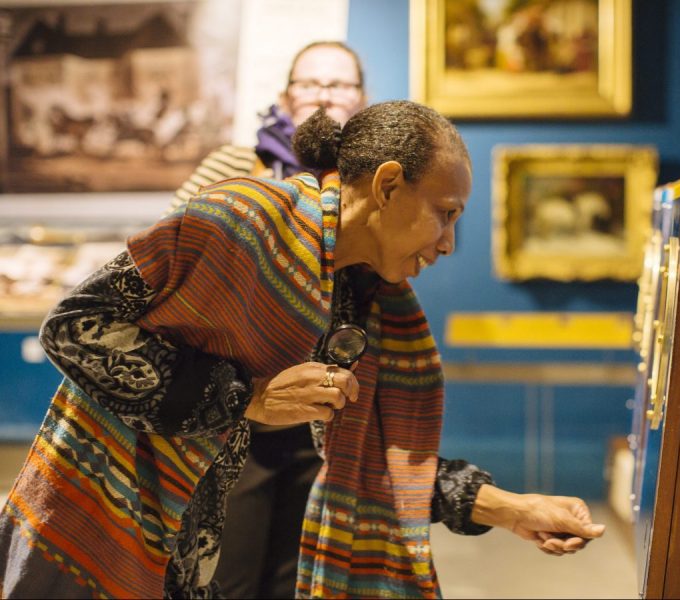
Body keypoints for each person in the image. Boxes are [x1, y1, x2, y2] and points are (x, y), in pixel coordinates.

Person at [0, 100, 605, 599]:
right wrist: (249, 396)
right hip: (92, 534)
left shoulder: (353, 296)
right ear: (389, 184)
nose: (447, 244)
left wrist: (512, 510)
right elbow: (76, 325)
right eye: (444, 215)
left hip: (183, 564)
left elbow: (375, 460)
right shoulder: (239, 217)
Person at [168, 40, 367, 599]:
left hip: (324, 413)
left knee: (297, 578)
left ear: (362, 97)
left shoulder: (371, 181)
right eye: (310, 82)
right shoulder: (235, 163)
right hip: (238, 406)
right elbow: (172, 253)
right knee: (225, 574)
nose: (325, 93)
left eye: (340, 83)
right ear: (286, 94)